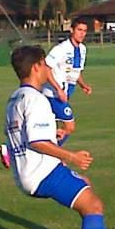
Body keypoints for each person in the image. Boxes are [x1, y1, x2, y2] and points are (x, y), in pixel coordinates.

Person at [5, 44, 115, 229]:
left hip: (30, 172)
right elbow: (37, 141)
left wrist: (55, 141)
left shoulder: (15, 98)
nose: (48, 69)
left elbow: (23, 137)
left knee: (85, 186)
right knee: (93, 206)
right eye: (45, 64)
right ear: (36, 67)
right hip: (42, 174)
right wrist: (71, 155)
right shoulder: (36, 100)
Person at [41, 17, 93, 146]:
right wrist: (58, 89)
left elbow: (76, 71)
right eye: (79, 30)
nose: (82, 33)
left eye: (85, 31)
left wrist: (83, 85)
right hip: (53, 94)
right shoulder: (61, 48)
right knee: (69, 127)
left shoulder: (82, 49)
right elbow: (46, 68)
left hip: (66, 94)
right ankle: (53, 153)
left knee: (46, 127)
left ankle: (9, 149)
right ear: (71, 30)